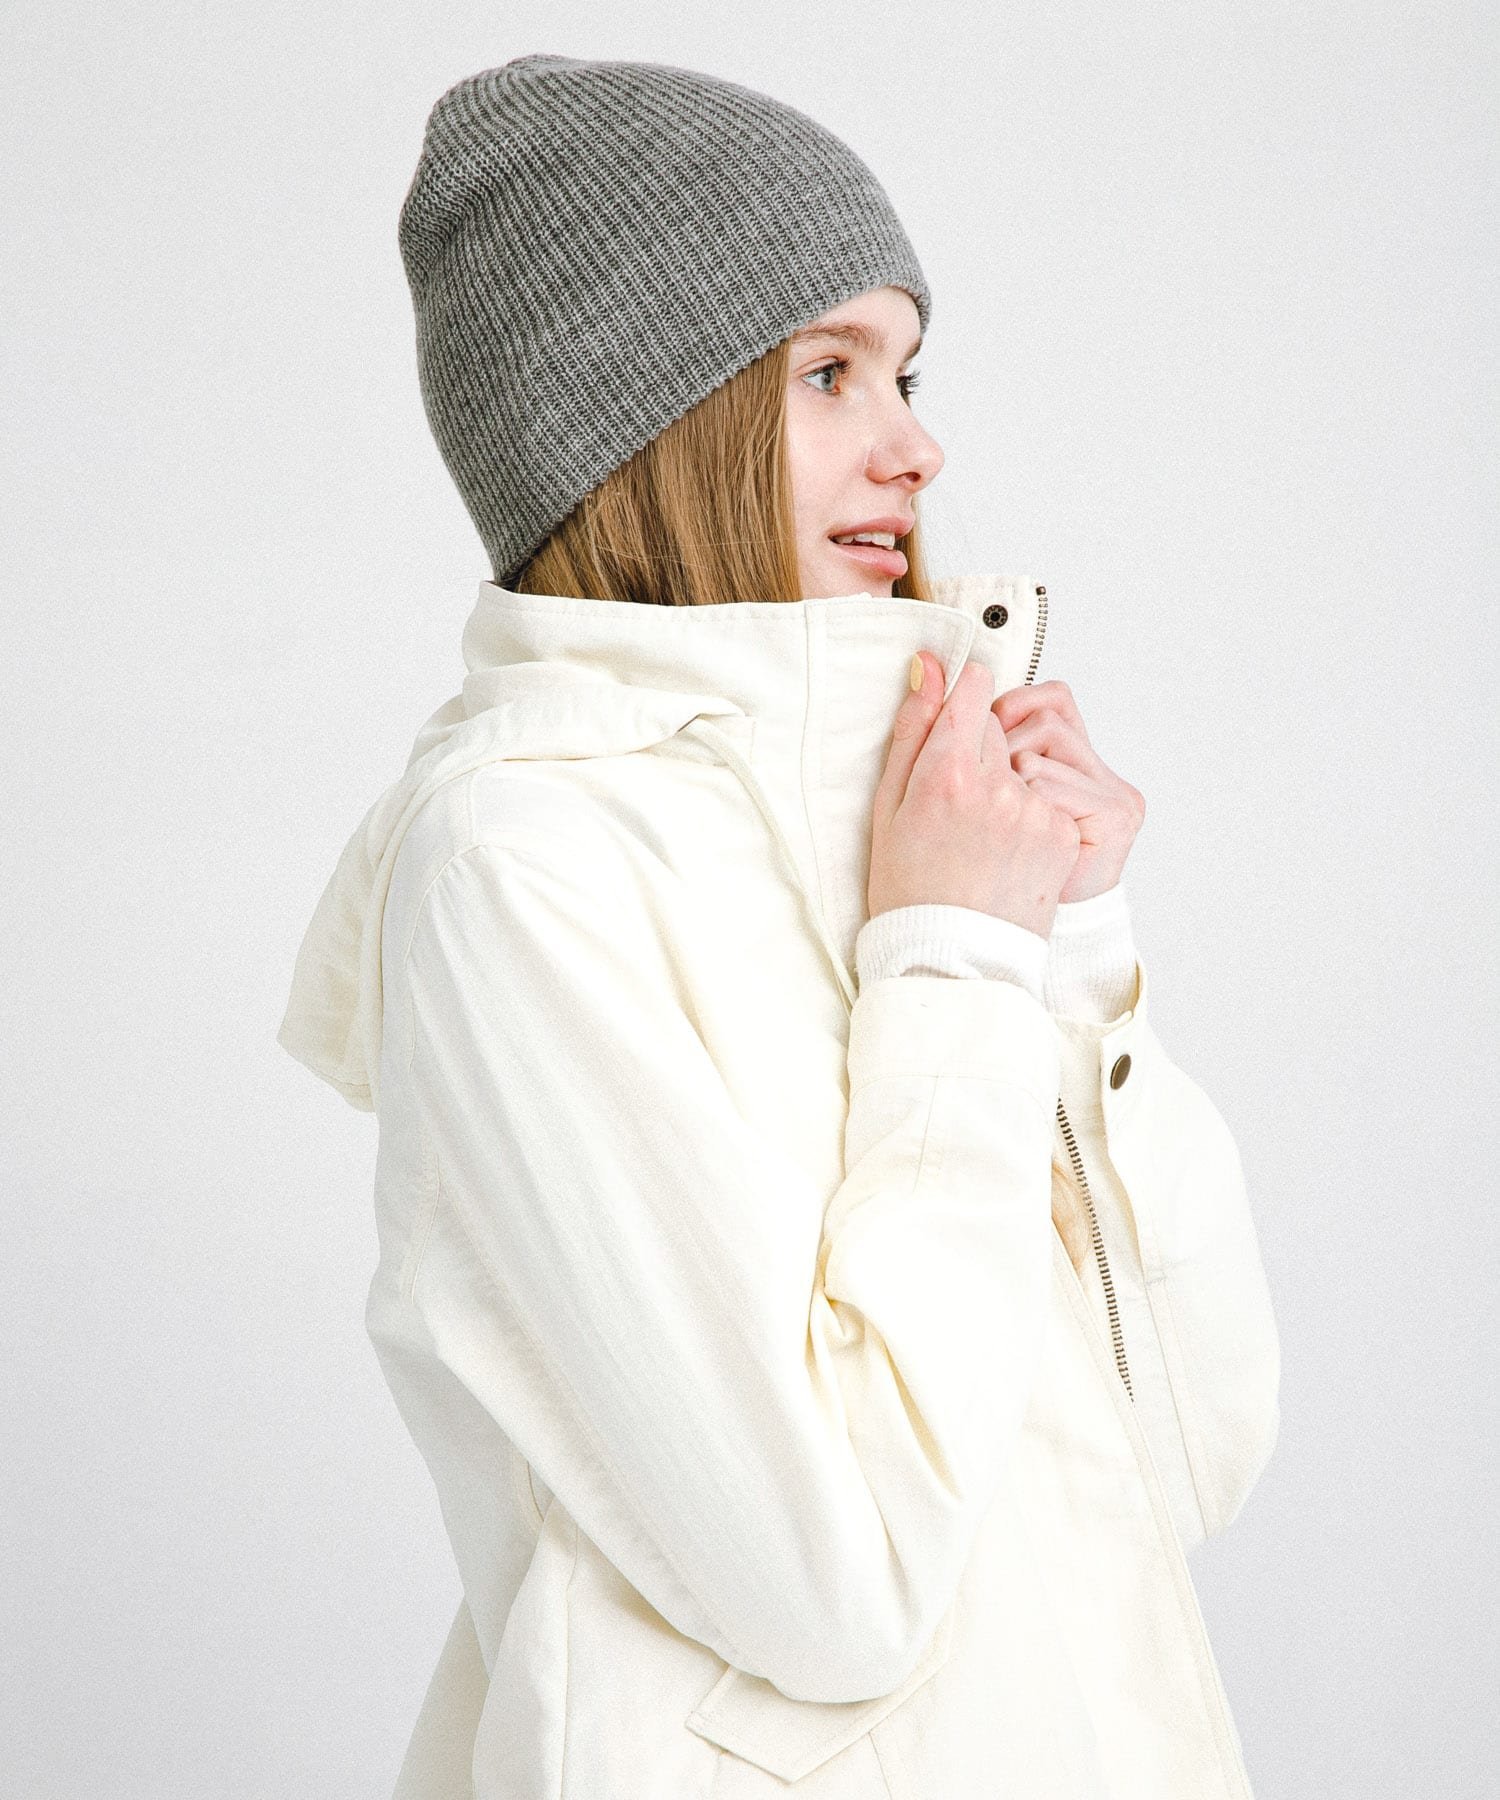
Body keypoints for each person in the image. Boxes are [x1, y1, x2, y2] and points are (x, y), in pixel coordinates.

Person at [277, 52, 1281, 1800]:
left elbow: (1185, 1461)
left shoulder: (896, 831)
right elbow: (838, 1592)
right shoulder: (520, 863)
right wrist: (954, 958)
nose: (918, 443)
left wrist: (1071, 944)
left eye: (906, 369)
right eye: (830, 372)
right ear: (636, 429)